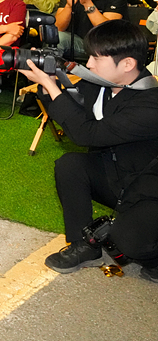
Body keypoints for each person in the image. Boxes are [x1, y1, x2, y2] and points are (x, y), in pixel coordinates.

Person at [20, 20, 158, 280]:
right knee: (70, 165)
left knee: (129, 245)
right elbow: (70, 112)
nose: (89, 64)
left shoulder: (151, 103)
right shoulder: (99, 84)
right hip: (117, 179)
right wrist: (47, 80)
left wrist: (51, 88)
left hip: (149, 190)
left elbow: (86, 134)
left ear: (127, 64)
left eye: (96, 57)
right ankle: (83, 246)